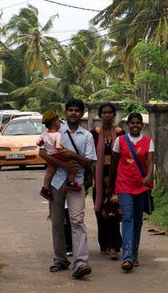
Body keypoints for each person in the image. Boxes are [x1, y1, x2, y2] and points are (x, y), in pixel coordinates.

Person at [39, 99, 96, 279]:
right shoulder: (55, 130)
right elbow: (42, 152)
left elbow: (89, 163)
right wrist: (64, 166)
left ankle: (80, 263)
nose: (73, 113)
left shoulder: (86, 136)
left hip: (76, 183)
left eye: (77, 110)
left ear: (81, 114)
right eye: (70, 110)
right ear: (65, 113)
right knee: (57, 222)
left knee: (77, 221)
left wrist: (72, 156)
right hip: (56, 182)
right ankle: (60, 259)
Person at [108, 112, 154, 272]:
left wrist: (149, 176)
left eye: (138, 123)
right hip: (124, 185)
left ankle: (134, 253)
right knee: (127, 218)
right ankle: (127, 257)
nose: (135, 125)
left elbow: (150, 162)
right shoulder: (120, 141)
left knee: (138, 220)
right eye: (132, 123)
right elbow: (114, 165)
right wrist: (110, 187)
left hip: (141, 185)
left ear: (142, 125)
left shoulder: (148, 142)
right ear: (128, 125)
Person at [91, 103, 125, 260]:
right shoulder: (94, 134)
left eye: (109, 112)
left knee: (112, 212)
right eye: (104, 112)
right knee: (101, 213)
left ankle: (113, 246)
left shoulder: (120, 133)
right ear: (100, 115)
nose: (106, 115)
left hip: (116, 180)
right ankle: (103, 245)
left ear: (113, 115)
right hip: (98, 181)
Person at [37, 110, 81, 201]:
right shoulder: (57, 134)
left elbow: (38, 143)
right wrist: (65, 151)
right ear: (56, 123)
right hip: (57, 154)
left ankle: (45, 188)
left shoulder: (44, 134)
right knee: (73, 164)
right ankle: (71, 181)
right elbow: (58, 147)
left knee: (50, 172)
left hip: (50, 155)